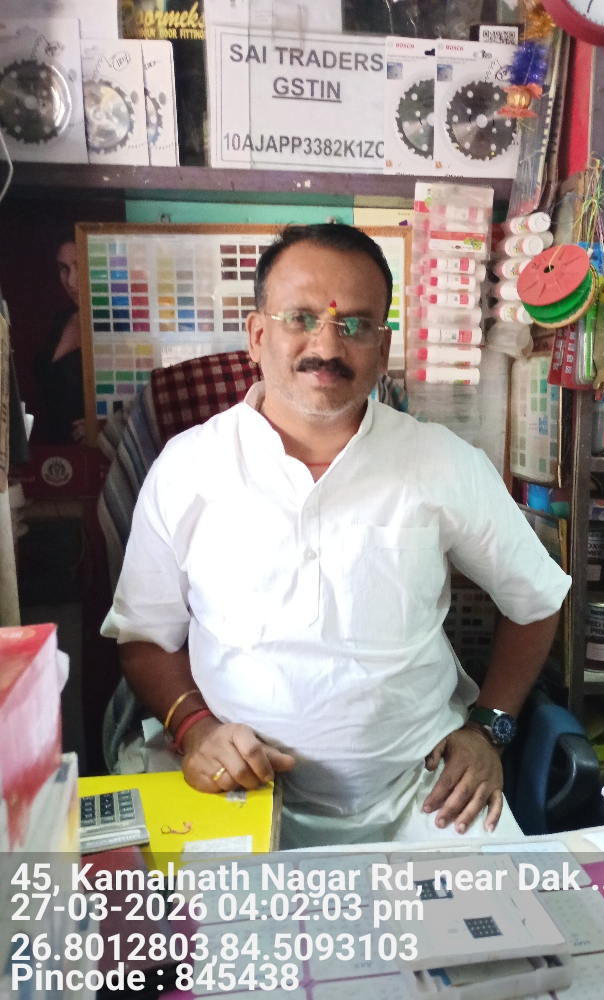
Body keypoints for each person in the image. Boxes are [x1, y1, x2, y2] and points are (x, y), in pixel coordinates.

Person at [102, 224, 571, 848]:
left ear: (382, 347)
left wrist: (490, 728)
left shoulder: (443, 462)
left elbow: (536, 599)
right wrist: (193, 729)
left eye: (355, 324)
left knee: (512, 913)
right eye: (300, 318)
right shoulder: (189, 468)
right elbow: (143, 636)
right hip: (235, 786)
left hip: (423, 793)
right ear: (257, 335)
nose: (326, 345)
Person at [34, 233, 86, 444]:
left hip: (94, 452)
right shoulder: (61, 318)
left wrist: (107, 424)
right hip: (52, 446)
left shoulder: (115, 325)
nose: (71, 281)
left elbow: (141, 394)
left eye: (79, 266)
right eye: (64, 268)